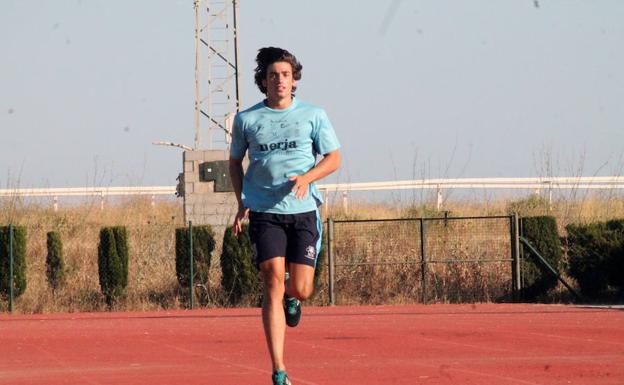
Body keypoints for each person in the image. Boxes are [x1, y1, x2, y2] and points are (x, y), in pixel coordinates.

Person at [229, 47, 341, 385]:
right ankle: (279, 370)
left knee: (301, 288)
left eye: (286, 75)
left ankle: (294, 300)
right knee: (272, 278)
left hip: (304, 212)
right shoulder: (246, 119)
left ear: (294, 81)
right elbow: (235, 163)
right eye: (273, 75)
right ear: (263, 81)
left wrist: (307, 178)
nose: (280, 80)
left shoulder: (314, 115)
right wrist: (241, 202)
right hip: (265, 212)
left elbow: (334, 158)